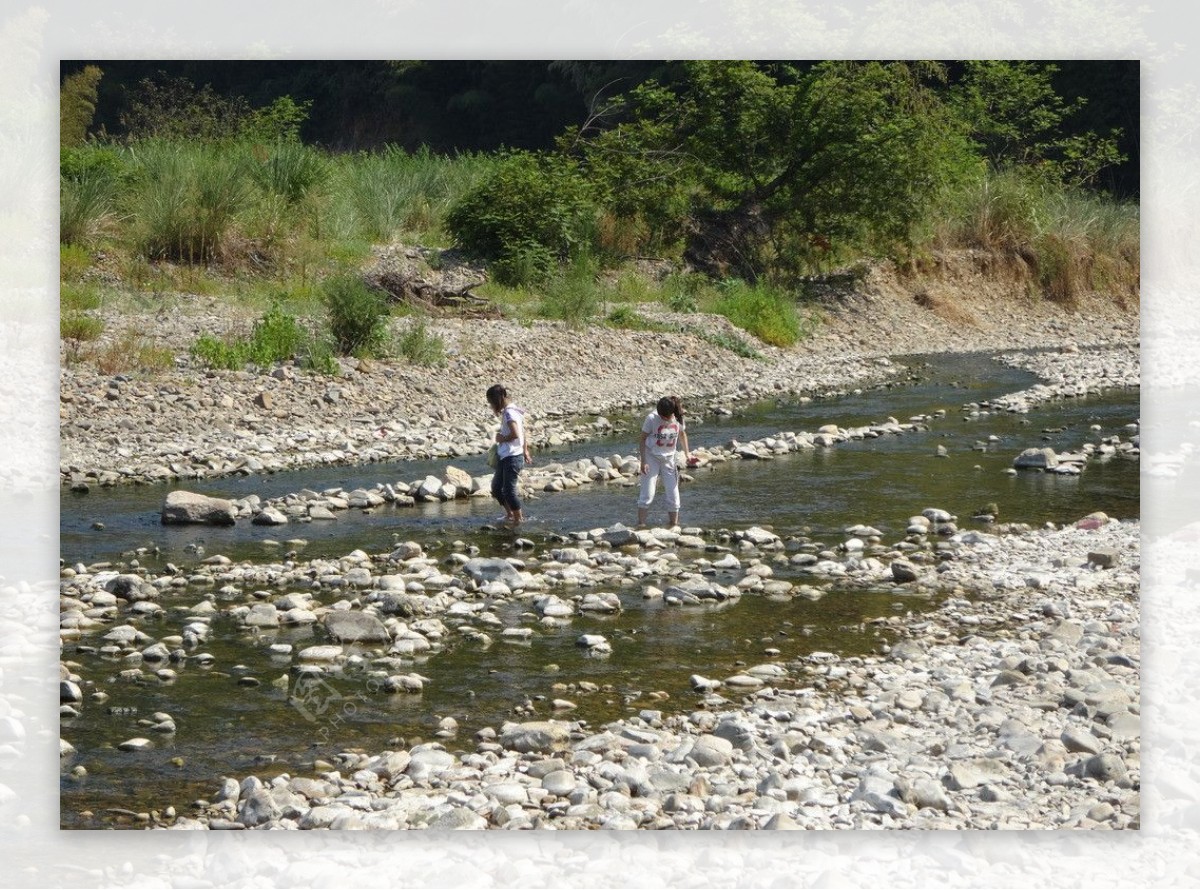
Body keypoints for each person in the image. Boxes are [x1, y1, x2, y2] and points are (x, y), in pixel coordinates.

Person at [638, 395, 692, 528]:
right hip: (652, 457)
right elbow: (642, 439)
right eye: (661, 416)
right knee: (647, 495)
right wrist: (643, 461)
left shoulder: (678, 417)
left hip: (669, 459)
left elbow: (682, 435)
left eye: (666, 417)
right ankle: (640, 525)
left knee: (673, 496)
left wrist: (687, 454)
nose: (663, 418)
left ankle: (674, 525)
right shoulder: (651, 418)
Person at [486, 383, 532, 525]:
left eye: (491, 403)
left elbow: (516, 434)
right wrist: (525, 450)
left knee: (508, 490)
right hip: (507, 456)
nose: (491, 406)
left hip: (512, 458)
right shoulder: (513, 410)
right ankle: (510, 514)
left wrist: (501, 438)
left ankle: (519, 519)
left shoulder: (509, 413)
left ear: (497, 400)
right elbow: (523, 433)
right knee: (496, 488)